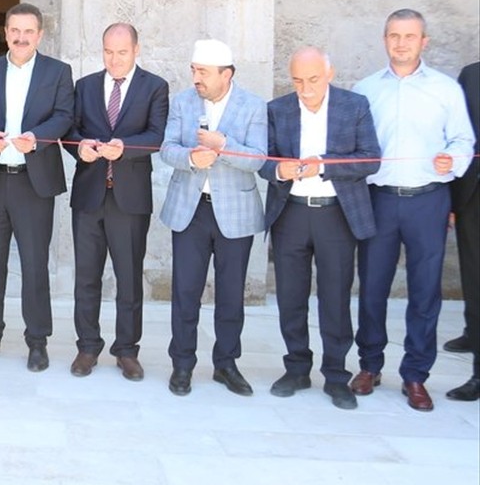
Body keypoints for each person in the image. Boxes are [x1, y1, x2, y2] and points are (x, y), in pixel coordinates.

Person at [352, 10, 474, 412]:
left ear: (424, 42)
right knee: (372, 288)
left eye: (409, 36)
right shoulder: (365, 89)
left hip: (428, 199)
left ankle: (416, 375)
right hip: (380, 199)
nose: (401, 43)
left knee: (425, 292)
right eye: (393, 35)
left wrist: (452, 161)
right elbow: (352, 143)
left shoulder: (445, 89)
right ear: (384, 40)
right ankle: (369, 366)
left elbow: (462, 139)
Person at [260, 48, 380, 410]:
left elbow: (370, 158)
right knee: (290, 296)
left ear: (329, 73)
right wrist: (279, 170)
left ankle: (336, 374)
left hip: (336, 215)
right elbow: (263, 159)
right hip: (291, 213)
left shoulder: (354, 105)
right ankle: (296, 368)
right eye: (297, 80)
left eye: (312, 80)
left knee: (335, 297)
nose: (305, 88)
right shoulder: (278, 108)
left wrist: (323, 166)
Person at [0, 2, 73, 372]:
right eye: (15, 30)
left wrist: (38, 138)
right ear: (6, 32)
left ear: (39, 35)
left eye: (29, 31)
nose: (21, 37)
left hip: (33, 183)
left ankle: (37, 340)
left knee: (34, 265)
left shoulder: (58, 72)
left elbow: (64, 116)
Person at [159, 39, 267, 397]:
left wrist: (223, 145)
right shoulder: (182, 102)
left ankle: (226, 364)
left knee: (231, 293)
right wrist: (191, 158)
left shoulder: (252, 106)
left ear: (227, 74)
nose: (196, 78)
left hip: (234, 212)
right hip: (191, 210)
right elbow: (166, 149)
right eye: (193, 70)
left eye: (203, 72)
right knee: (185, 291)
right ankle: (183, 365)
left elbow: (258, 160)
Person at [67, 23, 168, 381]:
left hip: (130, 198)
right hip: (89, 195)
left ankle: (127, 350)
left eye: (122, 52)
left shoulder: (154, 87)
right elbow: (70, 131)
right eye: (108, 52)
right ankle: (87, 347)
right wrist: (80, 146)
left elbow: (156, 136)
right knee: (86, 278)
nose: (115, 59)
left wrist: (125, 149)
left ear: (136, 50)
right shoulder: (85, 86)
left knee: (128, 279)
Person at [447, 60, 479, 401]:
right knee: (474, 276)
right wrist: (453, 201)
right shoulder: (471, 75)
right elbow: (458, 135)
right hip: (474, 197)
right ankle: (474, 336)